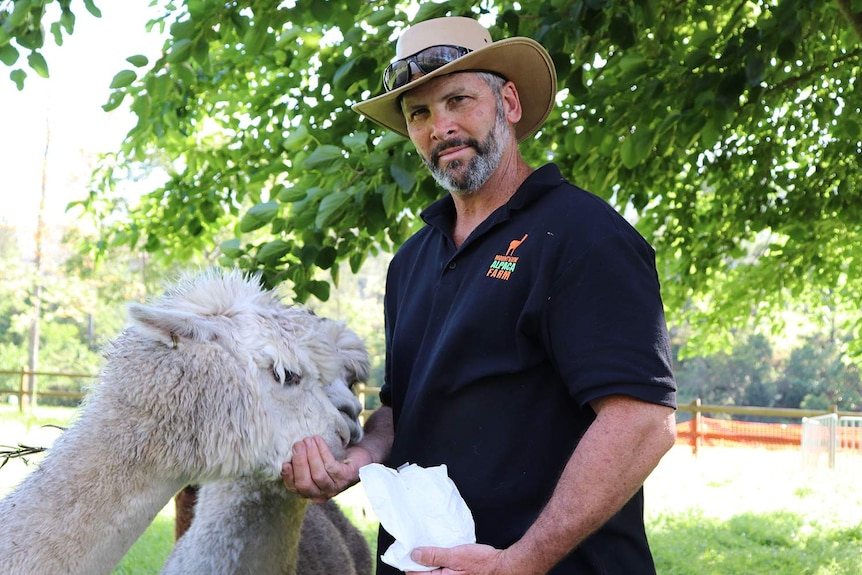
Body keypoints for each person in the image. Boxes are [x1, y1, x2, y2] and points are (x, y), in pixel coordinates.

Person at [282, 16, 678, 575]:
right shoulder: (411, 261)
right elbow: (401, 409)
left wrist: (521, 561)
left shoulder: (585, 235)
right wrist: (360, 459)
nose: (439, 126)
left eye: (458, 100)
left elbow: (641, 423)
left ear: (509, 102)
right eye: (419, 113)